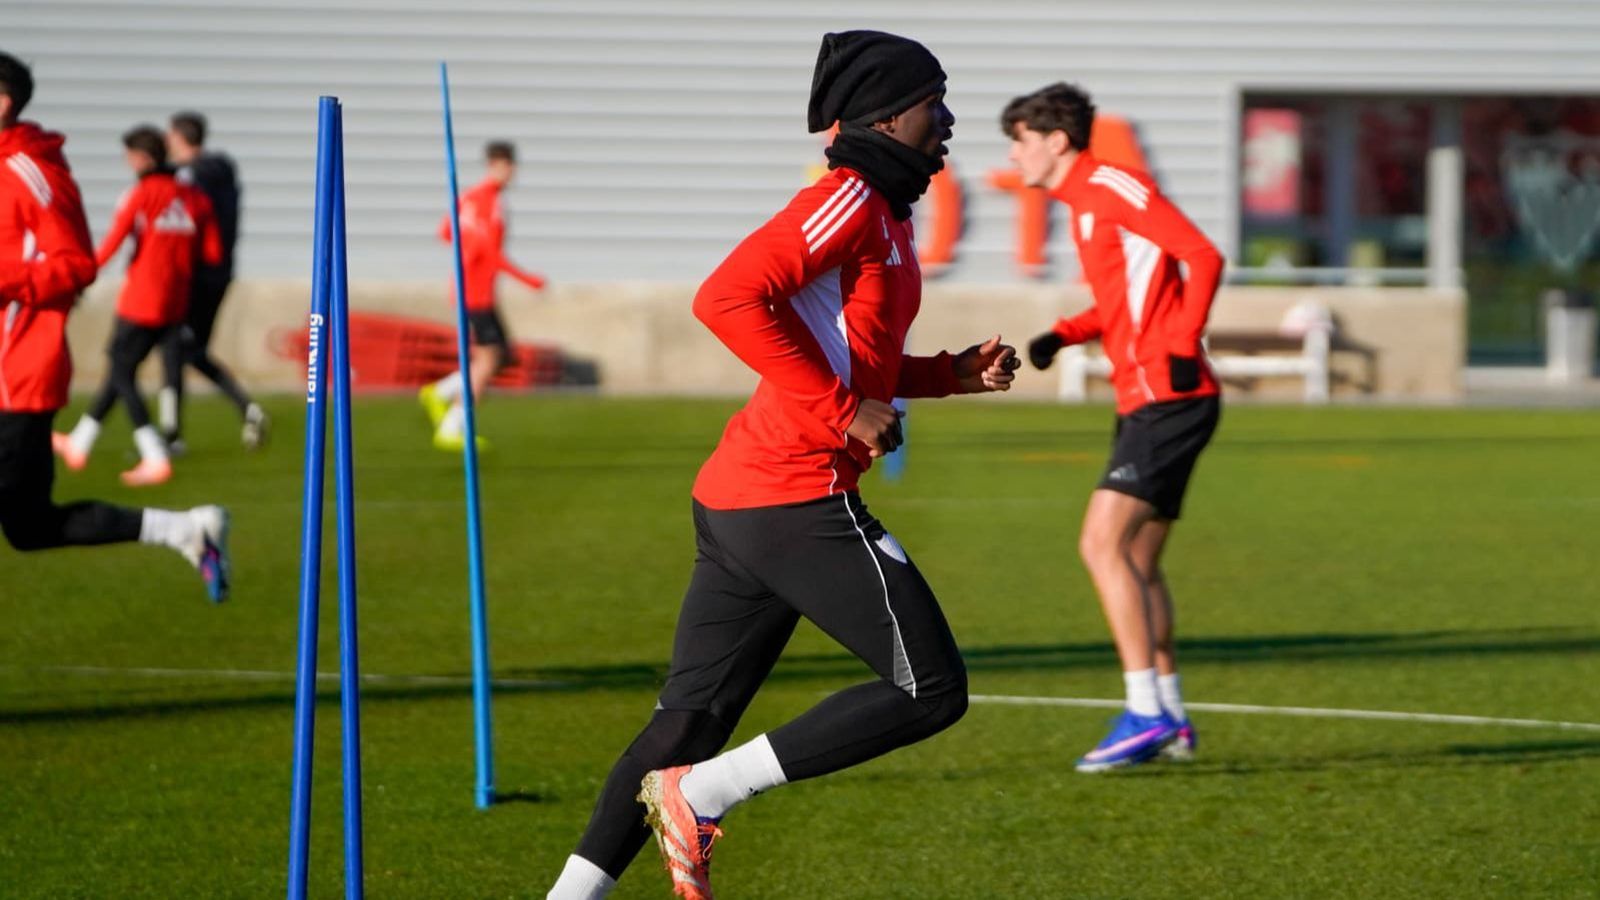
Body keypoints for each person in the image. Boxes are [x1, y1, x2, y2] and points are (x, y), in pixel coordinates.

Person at [547, 30, 1020, 900]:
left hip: (745, 501)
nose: (950, 121)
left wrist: (946, 374)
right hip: (791, 497)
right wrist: (844, 411)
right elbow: (725, 298)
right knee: (932, 690)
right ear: (888, 113)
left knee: (686, 721)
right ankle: (704, 794)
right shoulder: (847, 198)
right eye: (935, 102)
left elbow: (856, 358)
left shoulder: (884, 211)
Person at [1004, 82, 1224, 772]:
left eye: (1021, 138)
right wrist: (1064, 335)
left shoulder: (1113, 187)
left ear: (1056, 140)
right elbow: (1122, 301)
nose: (1014, 153)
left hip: (1170, 395)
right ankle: (1174, 715)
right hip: (1148, 397)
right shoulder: (1082, 206)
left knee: (1100, 544)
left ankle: (1145, 713)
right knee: (1138, 560)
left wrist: (1185, 342)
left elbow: (1204, 255)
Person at [0, 52, 230, 601]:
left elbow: (76, 264)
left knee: (126, 374)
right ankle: (185, 528)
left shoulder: (29, 171)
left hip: (18, 374)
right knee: (30, 529)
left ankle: (152, 452)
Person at [53, 124, 221, 486]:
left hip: (142, 299)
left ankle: (155, 454)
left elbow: (113, 241)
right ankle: (80, 440)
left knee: (120, 370)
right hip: (176, 303)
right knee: (121, 368)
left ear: (142, 159)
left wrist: (78, 277)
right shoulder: (195, 198)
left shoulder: (143, 194)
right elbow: (212, 253)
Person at [420, 140, 546, 452]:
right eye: (505, 165)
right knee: (489, 358)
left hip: (472, 290)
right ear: (494, 166)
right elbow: (490, 252)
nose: (510, 171)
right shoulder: (489, 202)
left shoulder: (470, 198)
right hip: (475, 293)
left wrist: (468, 246)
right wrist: (527, 279)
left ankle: (443, 392)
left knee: (498, 355)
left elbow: (446, 232)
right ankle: (452, 421)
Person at [160, 110, 267, 454]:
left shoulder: (195, 177)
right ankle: (246, 408)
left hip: (197, 277)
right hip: (218, 274)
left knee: (175, 348)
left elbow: (188, 221)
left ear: (178, 137)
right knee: (187, 350)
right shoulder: (221, 170)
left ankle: (171, 435)